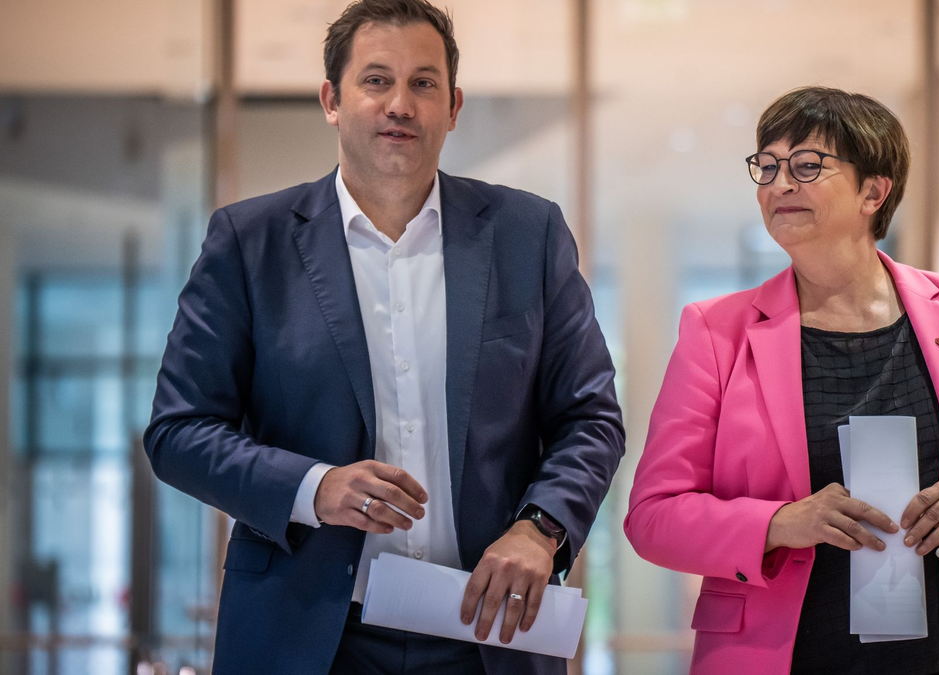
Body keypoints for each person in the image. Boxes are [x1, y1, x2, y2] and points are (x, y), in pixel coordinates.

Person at [144, 1, 624, 673]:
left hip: (487, 635)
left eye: (423, 83)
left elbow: (590, 416)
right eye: (376, 80)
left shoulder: (528, 235)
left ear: (453, 107)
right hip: (309, 635)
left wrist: (540, 528)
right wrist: (314, 487)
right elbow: (178, 431)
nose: (400, 103)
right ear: (332, 101)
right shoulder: (249, 243)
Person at [623, 86, 939, 675]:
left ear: (873, 192)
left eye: (807, 166)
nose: (780, 184)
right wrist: (779, 523)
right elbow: (654, 516)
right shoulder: (716, 331)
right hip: (778, 658)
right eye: (768, 166)